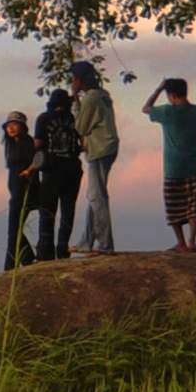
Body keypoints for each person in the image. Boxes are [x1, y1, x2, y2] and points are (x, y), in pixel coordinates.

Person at [142, 76, 196, 253]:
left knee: (173, 205)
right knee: (194, 205)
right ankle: (192, 241)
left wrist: (159, 89)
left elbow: (145, 108)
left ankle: (180, 242)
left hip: (173, 168)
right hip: (194, 167)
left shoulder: (167, 112)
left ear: (171, 94)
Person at [69, 60, 120, 254]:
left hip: (99, 149)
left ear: (79, 80)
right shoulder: (103, 95)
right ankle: (87, 241)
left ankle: (105, 245)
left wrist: (76, 103)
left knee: (96, 197)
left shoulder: (90, 99)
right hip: (107, 146)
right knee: (94, 195)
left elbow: (81, 127)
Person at [30, 88, 82, 265]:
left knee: (47, 211)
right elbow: (82, 142)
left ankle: (45, 250)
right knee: (68, 209)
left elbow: (37, 144)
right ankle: (63, 247)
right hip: (73, 168)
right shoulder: (74, 118)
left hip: (52, 170)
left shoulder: (43, 118)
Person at [0, 112, 42, 266]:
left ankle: (13, 264)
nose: (10, 128)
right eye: (8, 126)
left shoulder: (28, 143)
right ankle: (24, 259)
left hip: (25, 191)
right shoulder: (11, 146)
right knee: (15, 230)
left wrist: (29, 171)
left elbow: (39, 158)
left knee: (14, 229)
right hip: (16, 192)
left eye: (14, 125)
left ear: (22, 127)